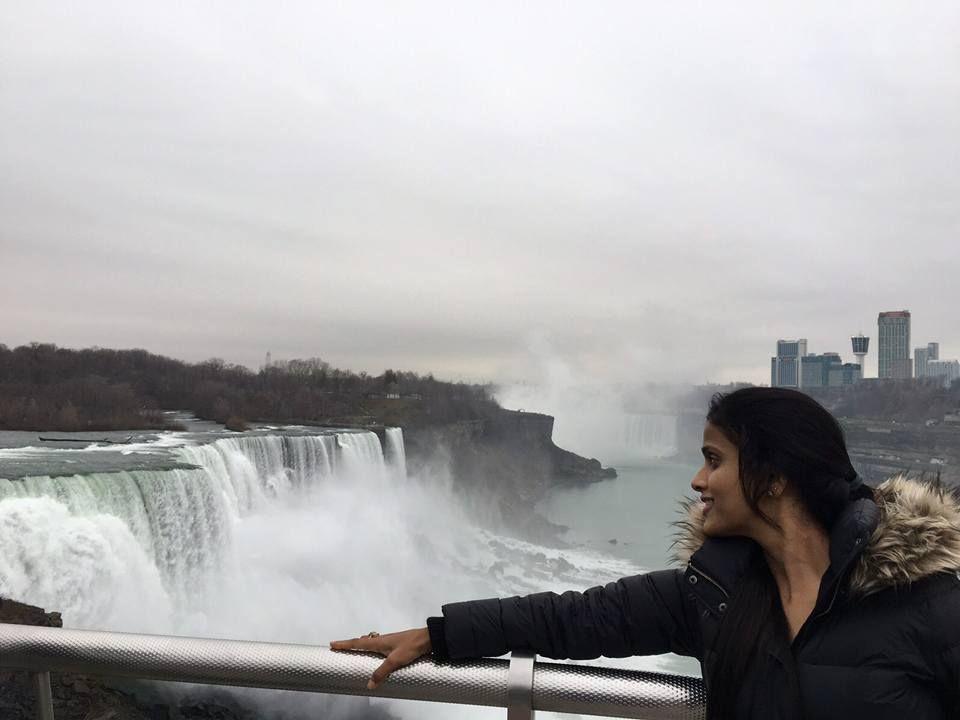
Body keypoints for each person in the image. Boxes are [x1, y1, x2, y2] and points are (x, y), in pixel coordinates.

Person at [332, 387, 960, 719]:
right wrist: (439, 634)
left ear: (773, 478)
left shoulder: (932, 604)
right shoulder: (714, 595)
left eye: (713, 460)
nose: (696, 482)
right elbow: (571, 617)